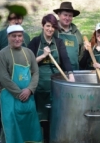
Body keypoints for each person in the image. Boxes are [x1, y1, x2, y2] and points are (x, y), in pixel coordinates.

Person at [28, 14, 75, 143]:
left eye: (53, 26)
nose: (50, 29)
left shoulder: (59, 43)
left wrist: (71, 76)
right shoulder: (35, 42)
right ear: (43, 26)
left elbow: (65, 60)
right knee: (39, 119)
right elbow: (28, 63)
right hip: (38, 87)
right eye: (48, 26)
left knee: (53, 118)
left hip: (55, 88)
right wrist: (43, 56)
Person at [0, 12, 30, 143]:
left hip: (22, 87)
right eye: (13, 18)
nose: (16, 20)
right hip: (2, 87)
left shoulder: (26, 37)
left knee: (18, 118)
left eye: (19, 18)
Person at [0, 25, 42, 143]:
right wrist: (19, 93)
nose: (17, 39)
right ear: (8, 37)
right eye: (14, 36)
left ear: (23, 37)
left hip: (28, 98)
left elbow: (35, 72)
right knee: (11, 130)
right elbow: (3, 78)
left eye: (19, 36)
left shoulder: (29, 53)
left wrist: (30, 90)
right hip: (10, 98)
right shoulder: (3, 54)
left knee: (30, 129)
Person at [53, 1, 83, 70]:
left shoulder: (76, 33)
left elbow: (81, 53)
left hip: (74, 71)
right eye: (65, 15)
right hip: (58, 72)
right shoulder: (53, 31)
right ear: (59, 14)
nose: (67, 18)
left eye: (70, 16)